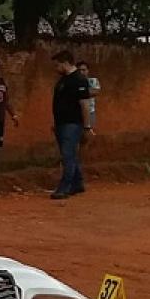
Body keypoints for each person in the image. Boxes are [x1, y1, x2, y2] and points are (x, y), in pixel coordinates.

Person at [50, 51, 93, 199]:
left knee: (67, 155)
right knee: (70, 155)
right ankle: (77, 183)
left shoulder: (79, 80)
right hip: (61, 123)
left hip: (72, 124)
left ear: (65, 63)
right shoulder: (63, 80)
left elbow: (85, 105)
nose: (56, 68)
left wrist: (87, 127)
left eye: (57, 65)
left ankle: (64, 187)